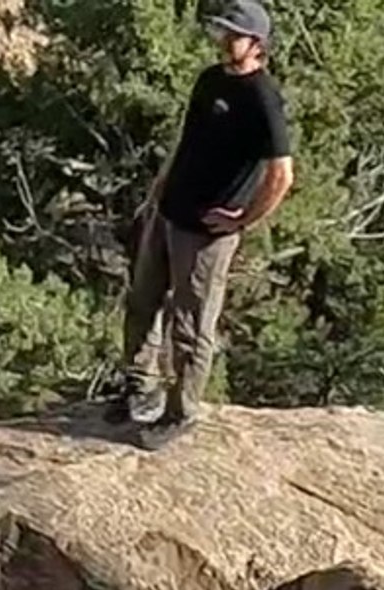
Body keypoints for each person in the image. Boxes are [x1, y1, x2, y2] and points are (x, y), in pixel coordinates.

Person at [109, 0, 294, 450]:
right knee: (142, 300)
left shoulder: (262, 96)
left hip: (208, 230)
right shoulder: (210, 80)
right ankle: (139, 384)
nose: (225, 40)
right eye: (223, 31)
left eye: (235, 34)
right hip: (171, 210)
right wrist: (159, 186)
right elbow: (187, 139)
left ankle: (182, 411)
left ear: (257, 43)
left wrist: (244, 218)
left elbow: (282, 174)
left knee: (192, 324)